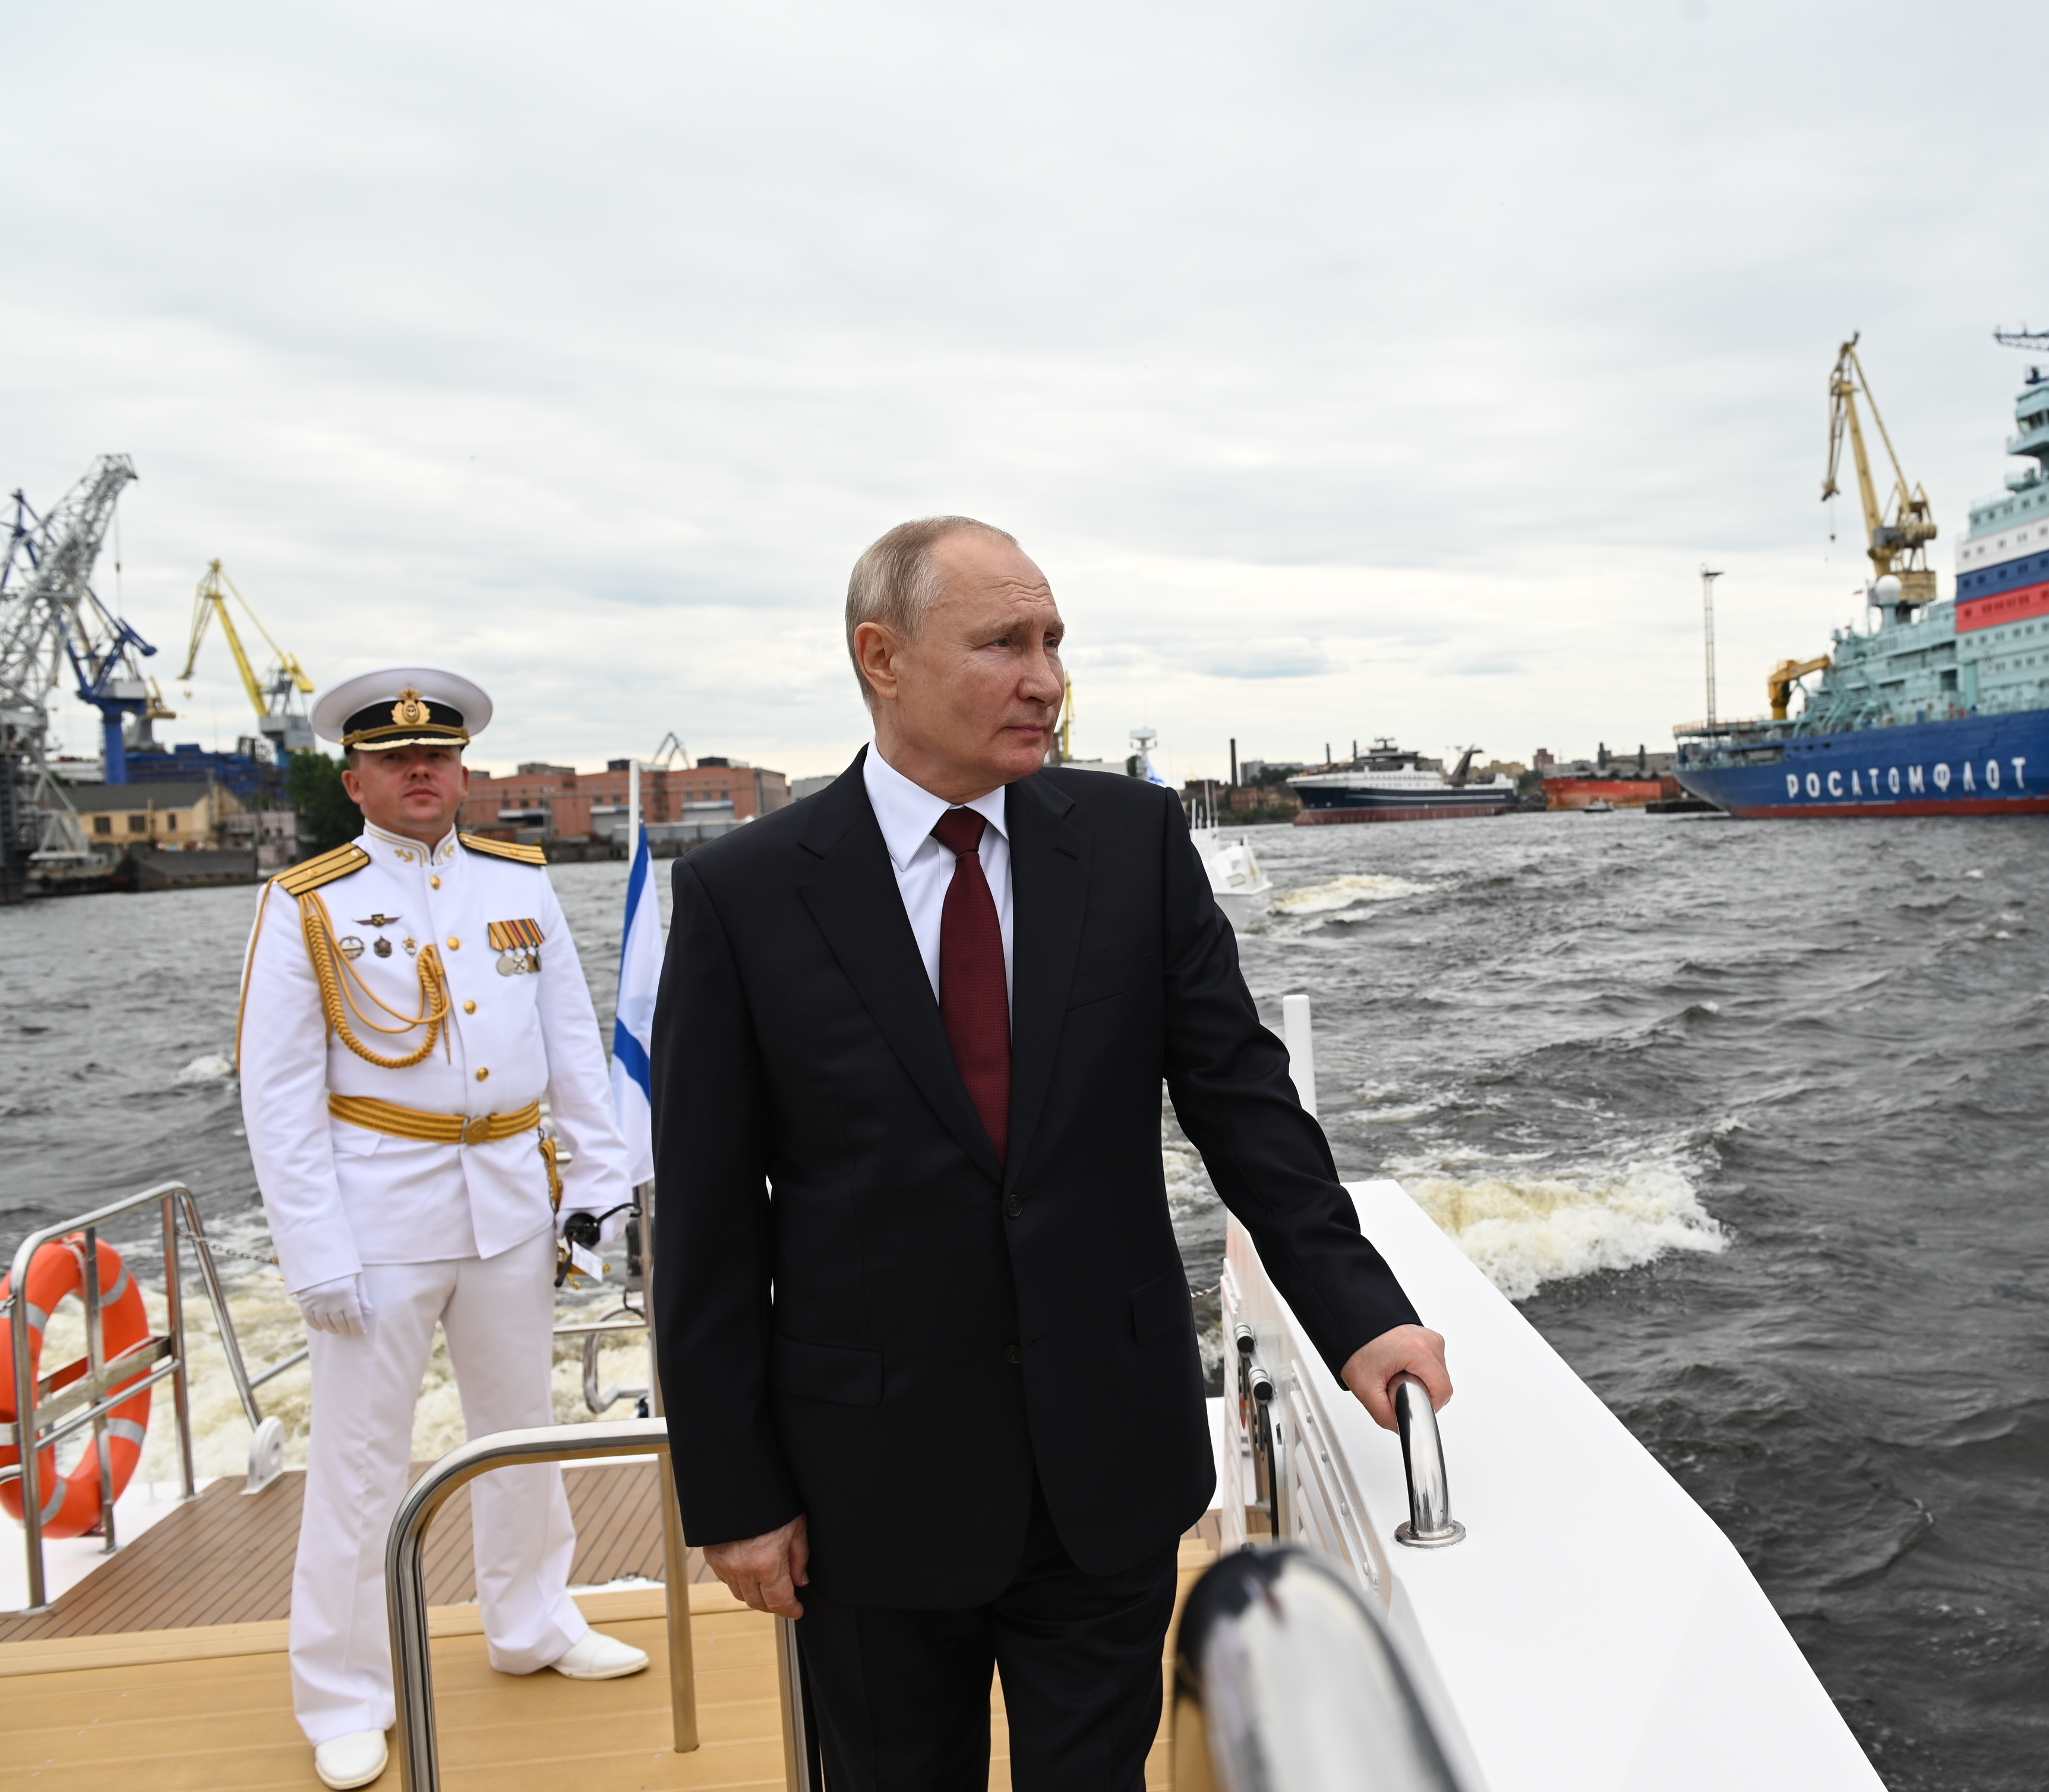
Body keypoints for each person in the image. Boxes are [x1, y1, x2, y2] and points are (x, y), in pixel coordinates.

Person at [652, 518, 1454, 1791]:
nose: (1046, 679)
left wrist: (1360, 1315)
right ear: (881, 658)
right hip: (870, 1486)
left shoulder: (1133, 842)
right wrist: (735, 1489)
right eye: (1003, 644)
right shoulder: (742, 896)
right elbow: (707, 1219)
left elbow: (1241, 1098)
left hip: (1107, 1459)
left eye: (1053, 641)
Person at [237, 667, 649, 1791]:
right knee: (359, 1463)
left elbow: (573, 1046)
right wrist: (315, 1250)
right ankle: (344, 1693)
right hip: (378, 1216)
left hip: (511, 1199)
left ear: (465, 771)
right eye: (395, 759)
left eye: (438, 756)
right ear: (355, 780)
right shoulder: (307, 901)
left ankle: (533, 1621)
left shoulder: (519, 883)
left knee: (522, 1431)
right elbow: (277, 1097)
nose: (421, 771)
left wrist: (596, 1186)